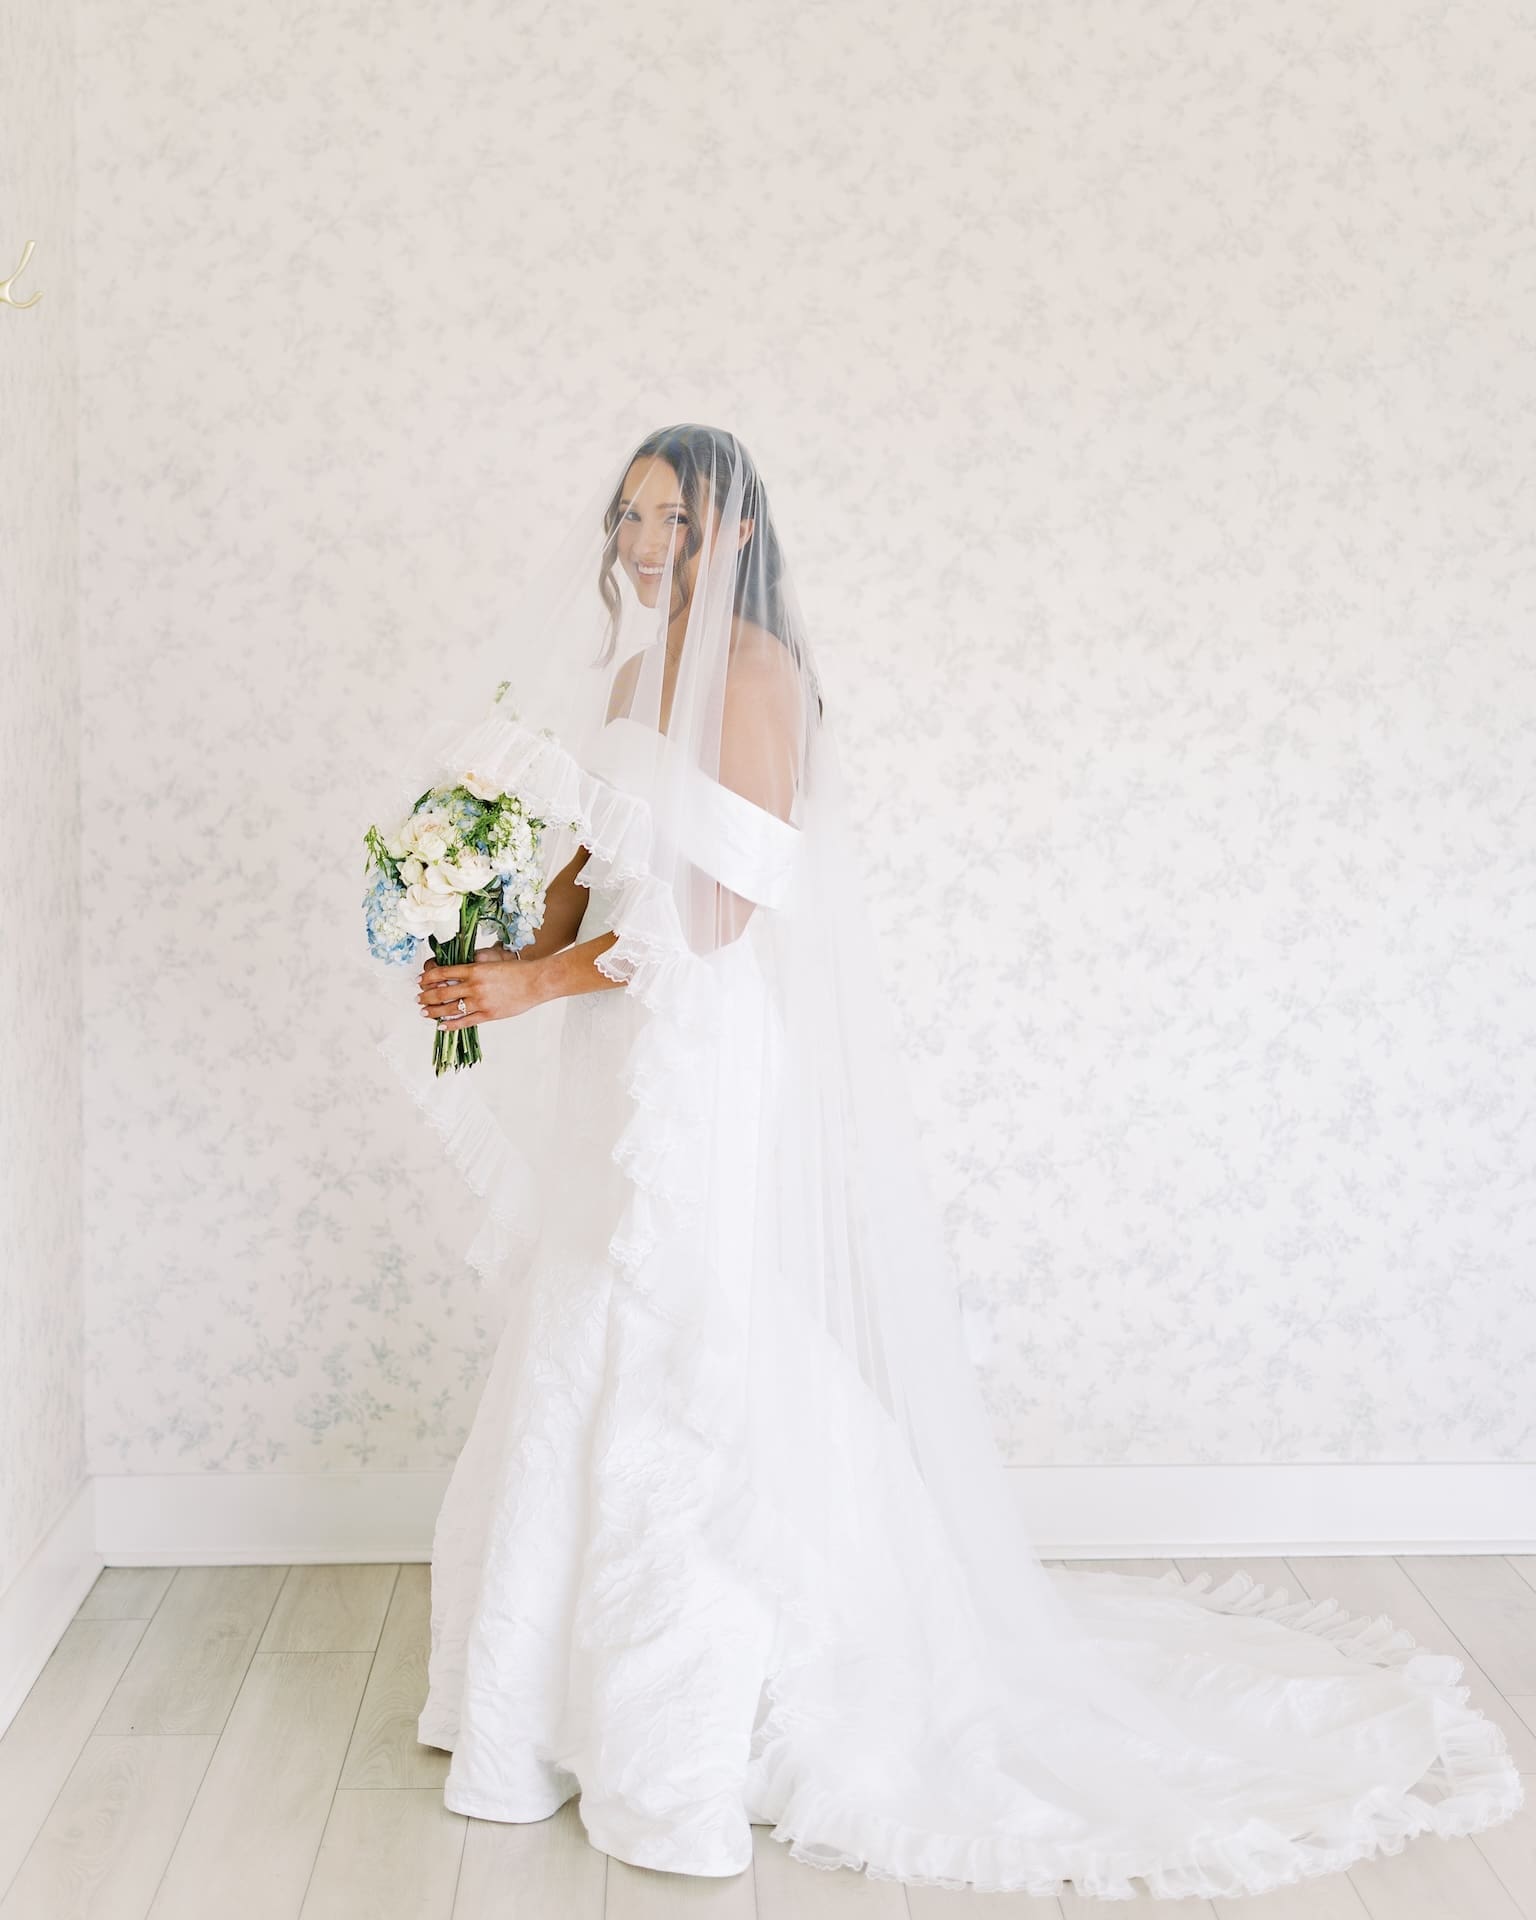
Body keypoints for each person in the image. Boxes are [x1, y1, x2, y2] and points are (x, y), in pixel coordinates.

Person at [368, 423, 1522, 1899]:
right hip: (608, 1035)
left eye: (672, 518)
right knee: (585, 1311)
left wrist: (541, 980)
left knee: (682, 1324)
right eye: (630, 516)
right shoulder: (625, 676)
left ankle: (691, 1730)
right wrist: (499, 959)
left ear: (734, 531)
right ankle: (535, 1708)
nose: (642, 543)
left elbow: (716, 918)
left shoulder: (763, 680)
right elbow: (596, 858)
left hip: (693, 1051)